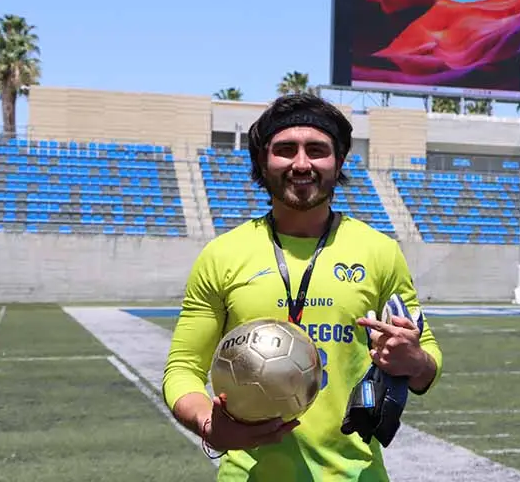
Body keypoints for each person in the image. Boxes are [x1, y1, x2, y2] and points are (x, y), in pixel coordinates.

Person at [162, 93, 443, 481]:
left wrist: (416, 361)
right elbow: (182, 369)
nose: (301, 163)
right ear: (263, 161)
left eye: (316, 150)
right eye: (285, 150)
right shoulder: (222, 255)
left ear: (339, 161)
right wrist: (210, 425)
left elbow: (427, 360)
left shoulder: (380, 252)